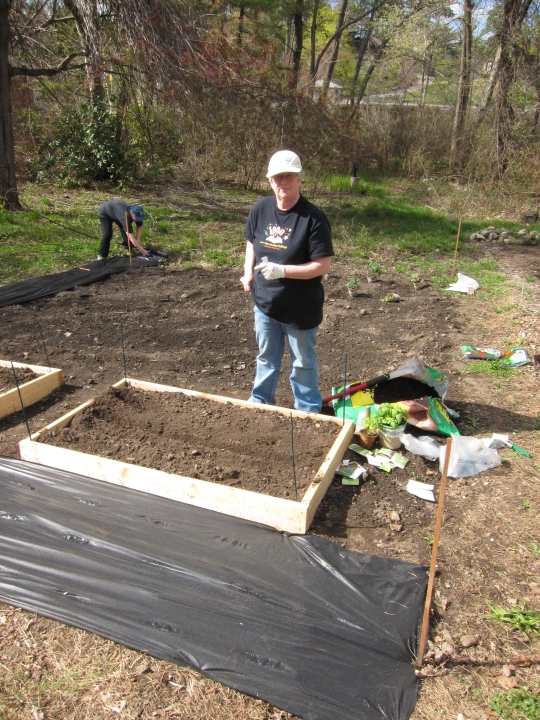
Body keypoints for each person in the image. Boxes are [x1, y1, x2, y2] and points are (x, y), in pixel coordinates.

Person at [241, 150, 333, 413]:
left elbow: (322, 265)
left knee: (303, 362)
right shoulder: (260, 209)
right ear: (270, 181)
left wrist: (283, 271)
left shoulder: (313, 218)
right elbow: (251, 241)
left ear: (300, 179)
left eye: (290, 176)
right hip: (265, 303)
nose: (284, 182)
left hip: (300, 309)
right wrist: (248, 271)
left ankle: (306, 409)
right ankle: (260, 401)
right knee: (266, 358)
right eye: (278, 177)